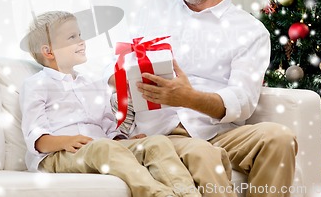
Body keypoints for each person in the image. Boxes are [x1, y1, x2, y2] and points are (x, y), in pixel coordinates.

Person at [111, 0, 298, 197]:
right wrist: (121, 81)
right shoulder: (152, 12)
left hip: (218, 132)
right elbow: (114, 69)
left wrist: (189, 98)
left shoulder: (249, 30)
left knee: (279, 138)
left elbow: (242, 101)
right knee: (202, 153)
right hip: (161, 136)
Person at [19, 10, 202, 197]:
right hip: (58, 155)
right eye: (72, 37)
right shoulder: (37, 85)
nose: (82, 41)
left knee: (157, 143)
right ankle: (159, 194)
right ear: (48, 51)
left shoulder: (91, 83)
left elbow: (107, 124)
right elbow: (36, 137)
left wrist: (123, 141)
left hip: (101, 147)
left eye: (80, 35)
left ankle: (188, 194)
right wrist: (67, 141)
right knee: (103, 148)